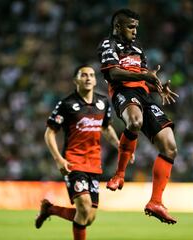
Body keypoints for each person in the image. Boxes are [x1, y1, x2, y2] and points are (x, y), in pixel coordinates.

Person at [97, 8, 179, 224]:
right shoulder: (108, 45)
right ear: (118, 27)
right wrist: (144, 74)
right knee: (135, 121)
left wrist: (157, 88)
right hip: (123, 92)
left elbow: (143, 80)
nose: (135, 31)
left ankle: (156, 202)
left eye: (136, 27)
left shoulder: (138, 49)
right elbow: (113, 73)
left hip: (144, 96)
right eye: (130, 26)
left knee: (170, 146)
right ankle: (119, 174)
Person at [35, 65, 120, 240]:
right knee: (84, 207)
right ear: (76, 80)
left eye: (91, 75)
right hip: (73, 161)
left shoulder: (103, 102)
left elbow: (106, 128)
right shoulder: (66, 104)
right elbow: (49, 133)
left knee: (88, 217)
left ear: (96, 80)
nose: (88, 78)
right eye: (83, 75)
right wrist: (59, 159)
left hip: (94, 163)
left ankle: (50, 209)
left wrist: (121, 147)